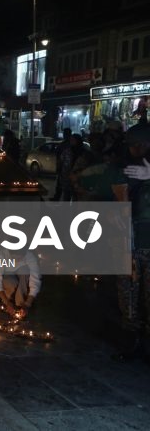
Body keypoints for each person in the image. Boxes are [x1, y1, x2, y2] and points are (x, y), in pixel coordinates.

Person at [115, 123, 150, 361]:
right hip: (131, 242)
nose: (134, 149)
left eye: (138, 144)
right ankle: (133, 342)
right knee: (128, 294)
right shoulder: (127, 166)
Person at [0, 248, 42, 318]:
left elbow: (35, 280)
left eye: (20, 258)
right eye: (14, 258)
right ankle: (11, 303)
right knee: (10, 282)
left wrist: (28, 303)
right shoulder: (2, 256)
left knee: (25, 271)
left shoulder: (30, 256)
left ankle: (21, 305)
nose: (17, 260)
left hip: (23, 275)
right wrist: (7, 302)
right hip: (8, 275)